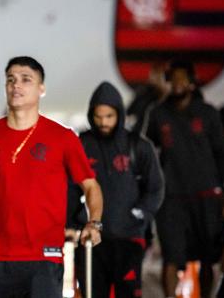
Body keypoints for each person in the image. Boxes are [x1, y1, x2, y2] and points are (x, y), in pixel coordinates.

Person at [0, 56, 103, 298]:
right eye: (11, 79)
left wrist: (95, 222)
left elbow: (90, 186)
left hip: (44, 256)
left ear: (41, 89)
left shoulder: (63, 137)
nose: (16, 85)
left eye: (26, 79)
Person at [145, 60, 224, 298]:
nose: (178, 84)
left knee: (208, 257)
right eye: (173, 78)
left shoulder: (208, 113)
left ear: (193, 83)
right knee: (171, 257)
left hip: (206, 196)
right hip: (171, 197)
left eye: (183, 78)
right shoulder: (157, 113)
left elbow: (222, 153)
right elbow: (148, 151)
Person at [75, 81, 164, 298]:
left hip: (129, 238)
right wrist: (73, 221)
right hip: (91, 239)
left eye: (109, 116)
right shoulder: (82, 144)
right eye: (98, 116)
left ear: (119, 114)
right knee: (92, 293)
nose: (103, 122)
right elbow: (69, 186)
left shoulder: (138, 146)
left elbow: (155, 187)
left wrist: (140, 214)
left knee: (128, 292)